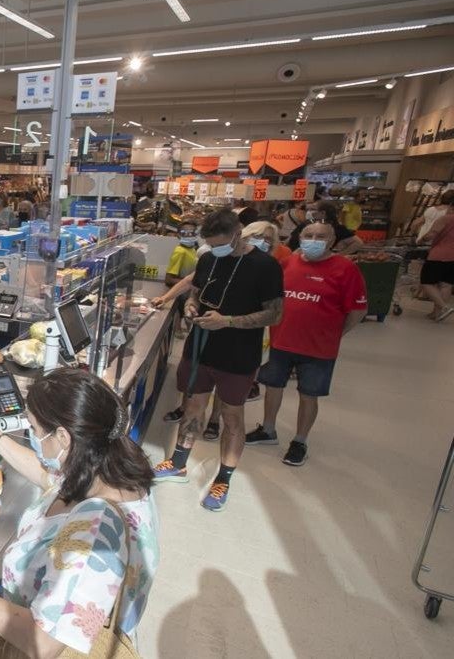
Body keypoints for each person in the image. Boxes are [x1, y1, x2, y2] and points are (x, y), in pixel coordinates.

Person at [0, 368, 158, 657]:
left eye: (35, 429)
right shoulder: (111, 472)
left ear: (63, 437)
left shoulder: (96, 535)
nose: (32, 436)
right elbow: (52, 480)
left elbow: (44, 644)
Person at [152, 208, 284, 512]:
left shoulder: (265, 266)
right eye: (211, 244)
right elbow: (196, 291)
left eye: (220, 243)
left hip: (238, 353)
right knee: (193, 405)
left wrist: (228, 321)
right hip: (201, 347)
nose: (216, 249)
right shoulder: (210, 258)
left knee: (232, 417)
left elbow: (275, 313)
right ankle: (179, 461)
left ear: (237, 234)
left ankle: (223, 477)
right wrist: (190, 307)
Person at [248, 222, 367, 466]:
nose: (314, 240)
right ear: (300, 238)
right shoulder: (287, 263)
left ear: (332, 241)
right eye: (308, 235)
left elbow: (358, 310)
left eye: (321, 236)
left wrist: (336, 334)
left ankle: (300, 441)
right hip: (281, 340)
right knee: (272, 386)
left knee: (308, 394)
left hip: (318, 347)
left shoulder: (345, 269)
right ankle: (268, 429)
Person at [418, 201, 454, 322]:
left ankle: (444, 308)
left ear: (450, 206)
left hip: (439, 255)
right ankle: (437, 314)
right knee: (446, 284)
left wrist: (422, 238)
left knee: (426, 282)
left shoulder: (446, 219)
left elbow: (432, 234)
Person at [287, 200, 362, 255]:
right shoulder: (306, 224)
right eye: (308, 209)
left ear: (323, 213)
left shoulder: (336, 227)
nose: (309, 212)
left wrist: (339, 255)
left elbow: (358, 243)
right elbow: (291, 238)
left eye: (313, 209)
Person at [164, 219, 200, 287]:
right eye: (185, 233)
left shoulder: (193, 250)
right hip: (181, 294)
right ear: (178, 235)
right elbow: (169, 280)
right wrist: (191, 284)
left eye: (192, 233)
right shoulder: (180, 251)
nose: (189, 235)